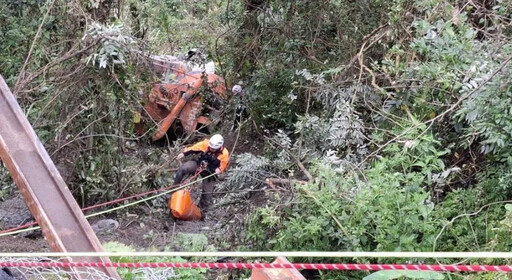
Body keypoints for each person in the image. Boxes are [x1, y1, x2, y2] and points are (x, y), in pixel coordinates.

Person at [174, 134, 229, 209]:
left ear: (219, 147)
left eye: (213, 148)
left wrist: (219, 170)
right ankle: (173, 189)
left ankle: (201, 211)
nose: (211, 149)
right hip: (198, 165)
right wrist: (184, 153)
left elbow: (223, 165)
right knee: (184, 168)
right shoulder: (205, 144)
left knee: (207, 195)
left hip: (210, 173)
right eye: (210, 147)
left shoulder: (224, 154)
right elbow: (193, 148)